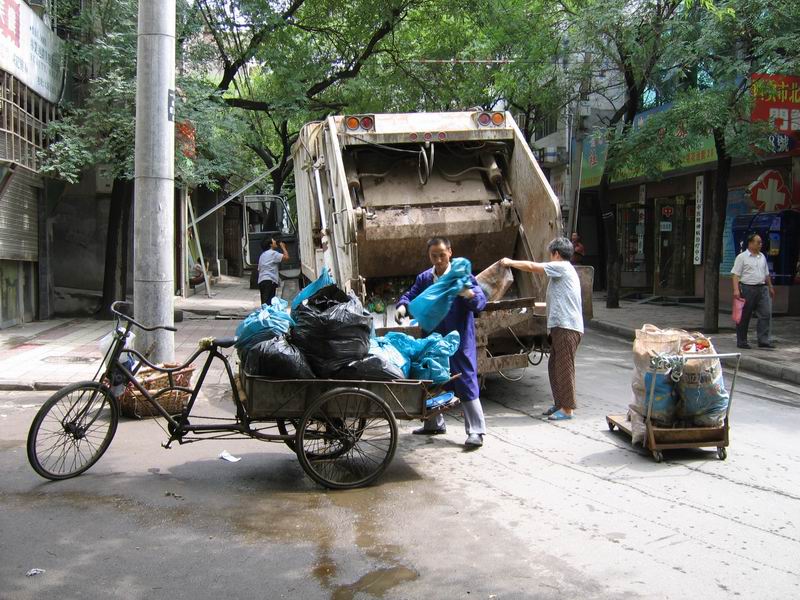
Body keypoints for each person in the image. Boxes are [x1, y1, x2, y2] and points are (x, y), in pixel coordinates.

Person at [395, 237, 488, 448]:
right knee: (432, 378)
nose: (438, 260)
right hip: (433, 338)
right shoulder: (425, 278)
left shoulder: (461, 277)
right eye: (433, 256)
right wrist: (403, 306)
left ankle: (476, 431)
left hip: (460, 337)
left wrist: (469, 294)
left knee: (465, 380)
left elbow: (481, 302)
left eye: (442, 255)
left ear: (450, 253)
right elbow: (411, 295)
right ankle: (433, 423)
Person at [501, 237, 583, 420]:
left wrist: (510, 262)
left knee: (564, 367)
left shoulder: (561, 267)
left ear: (556, 253)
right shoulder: (563, 271)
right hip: (561, 326)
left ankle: (567, 409)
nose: (550, 257)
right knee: (554, 366)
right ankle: (560, 403)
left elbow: (532, 267)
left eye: (551, 254)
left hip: (567, 326)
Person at [731, 233, 775, 349]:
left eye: (761, 242)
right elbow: (735, 275)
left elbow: (766, 274)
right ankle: (742, 341)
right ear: (750, 243)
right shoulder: (742, 257)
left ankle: (763, 340)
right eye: (758, 242)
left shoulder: (762, 257)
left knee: (766, 314)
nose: (760, 244)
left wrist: (770, 286)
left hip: (762, 288)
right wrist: (736, 290)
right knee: (745, 315)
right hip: (747, 288)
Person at [257, 238, 289, 306]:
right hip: (269, 281)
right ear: (270, 244)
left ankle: (265, 315)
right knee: (268, 303)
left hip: (262, 281)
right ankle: (266, 315)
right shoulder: (273, 253)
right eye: (273, 241)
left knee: (264, 303)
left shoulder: (262, 255)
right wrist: (283, 247)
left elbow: (259, 269)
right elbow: (286, 257)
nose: (275, 241)